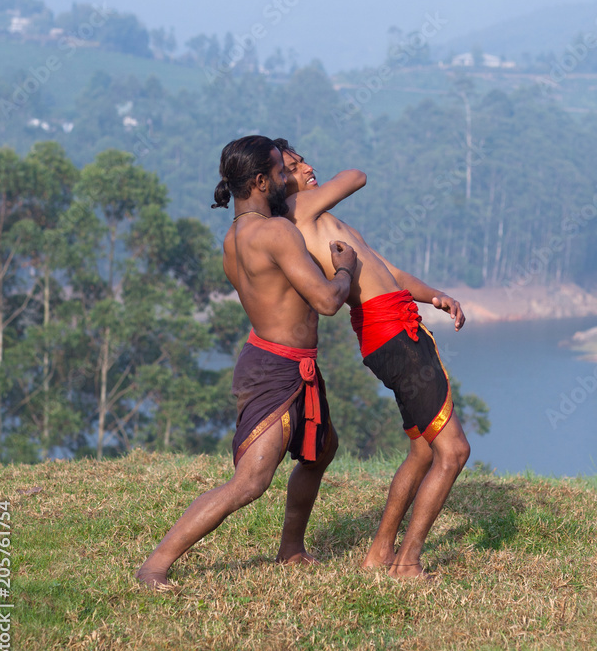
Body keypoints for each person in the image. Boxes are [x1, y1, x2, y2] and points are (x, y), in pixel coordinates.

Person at [136, 135, 357, 590]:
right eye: (280, 172)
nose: (286, 178)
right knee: (250, 482)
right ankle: (155, 565)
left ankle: (291, 549)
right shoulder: (275, 232)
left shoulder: (234, 237)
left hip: (279, 362)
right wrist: (346, 269)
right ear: (260, 181)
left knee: (321, 451)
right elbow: (328, 301)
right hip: (275, 370)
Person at [273, 138, 470, 580]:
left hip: (397, 325)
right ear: (275, 181)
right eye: (293, 165)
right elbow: (356, 177)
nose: (307, 167)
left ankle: (380, 554)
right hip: (391, 333)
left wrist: (435, 296)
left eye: (304, 159)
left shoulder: (326, 221)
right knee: (454, 451)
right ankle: (408, 562)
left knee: (423, 451)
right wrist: (309, 185)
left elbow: (389, 272)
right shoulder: (297, 214)